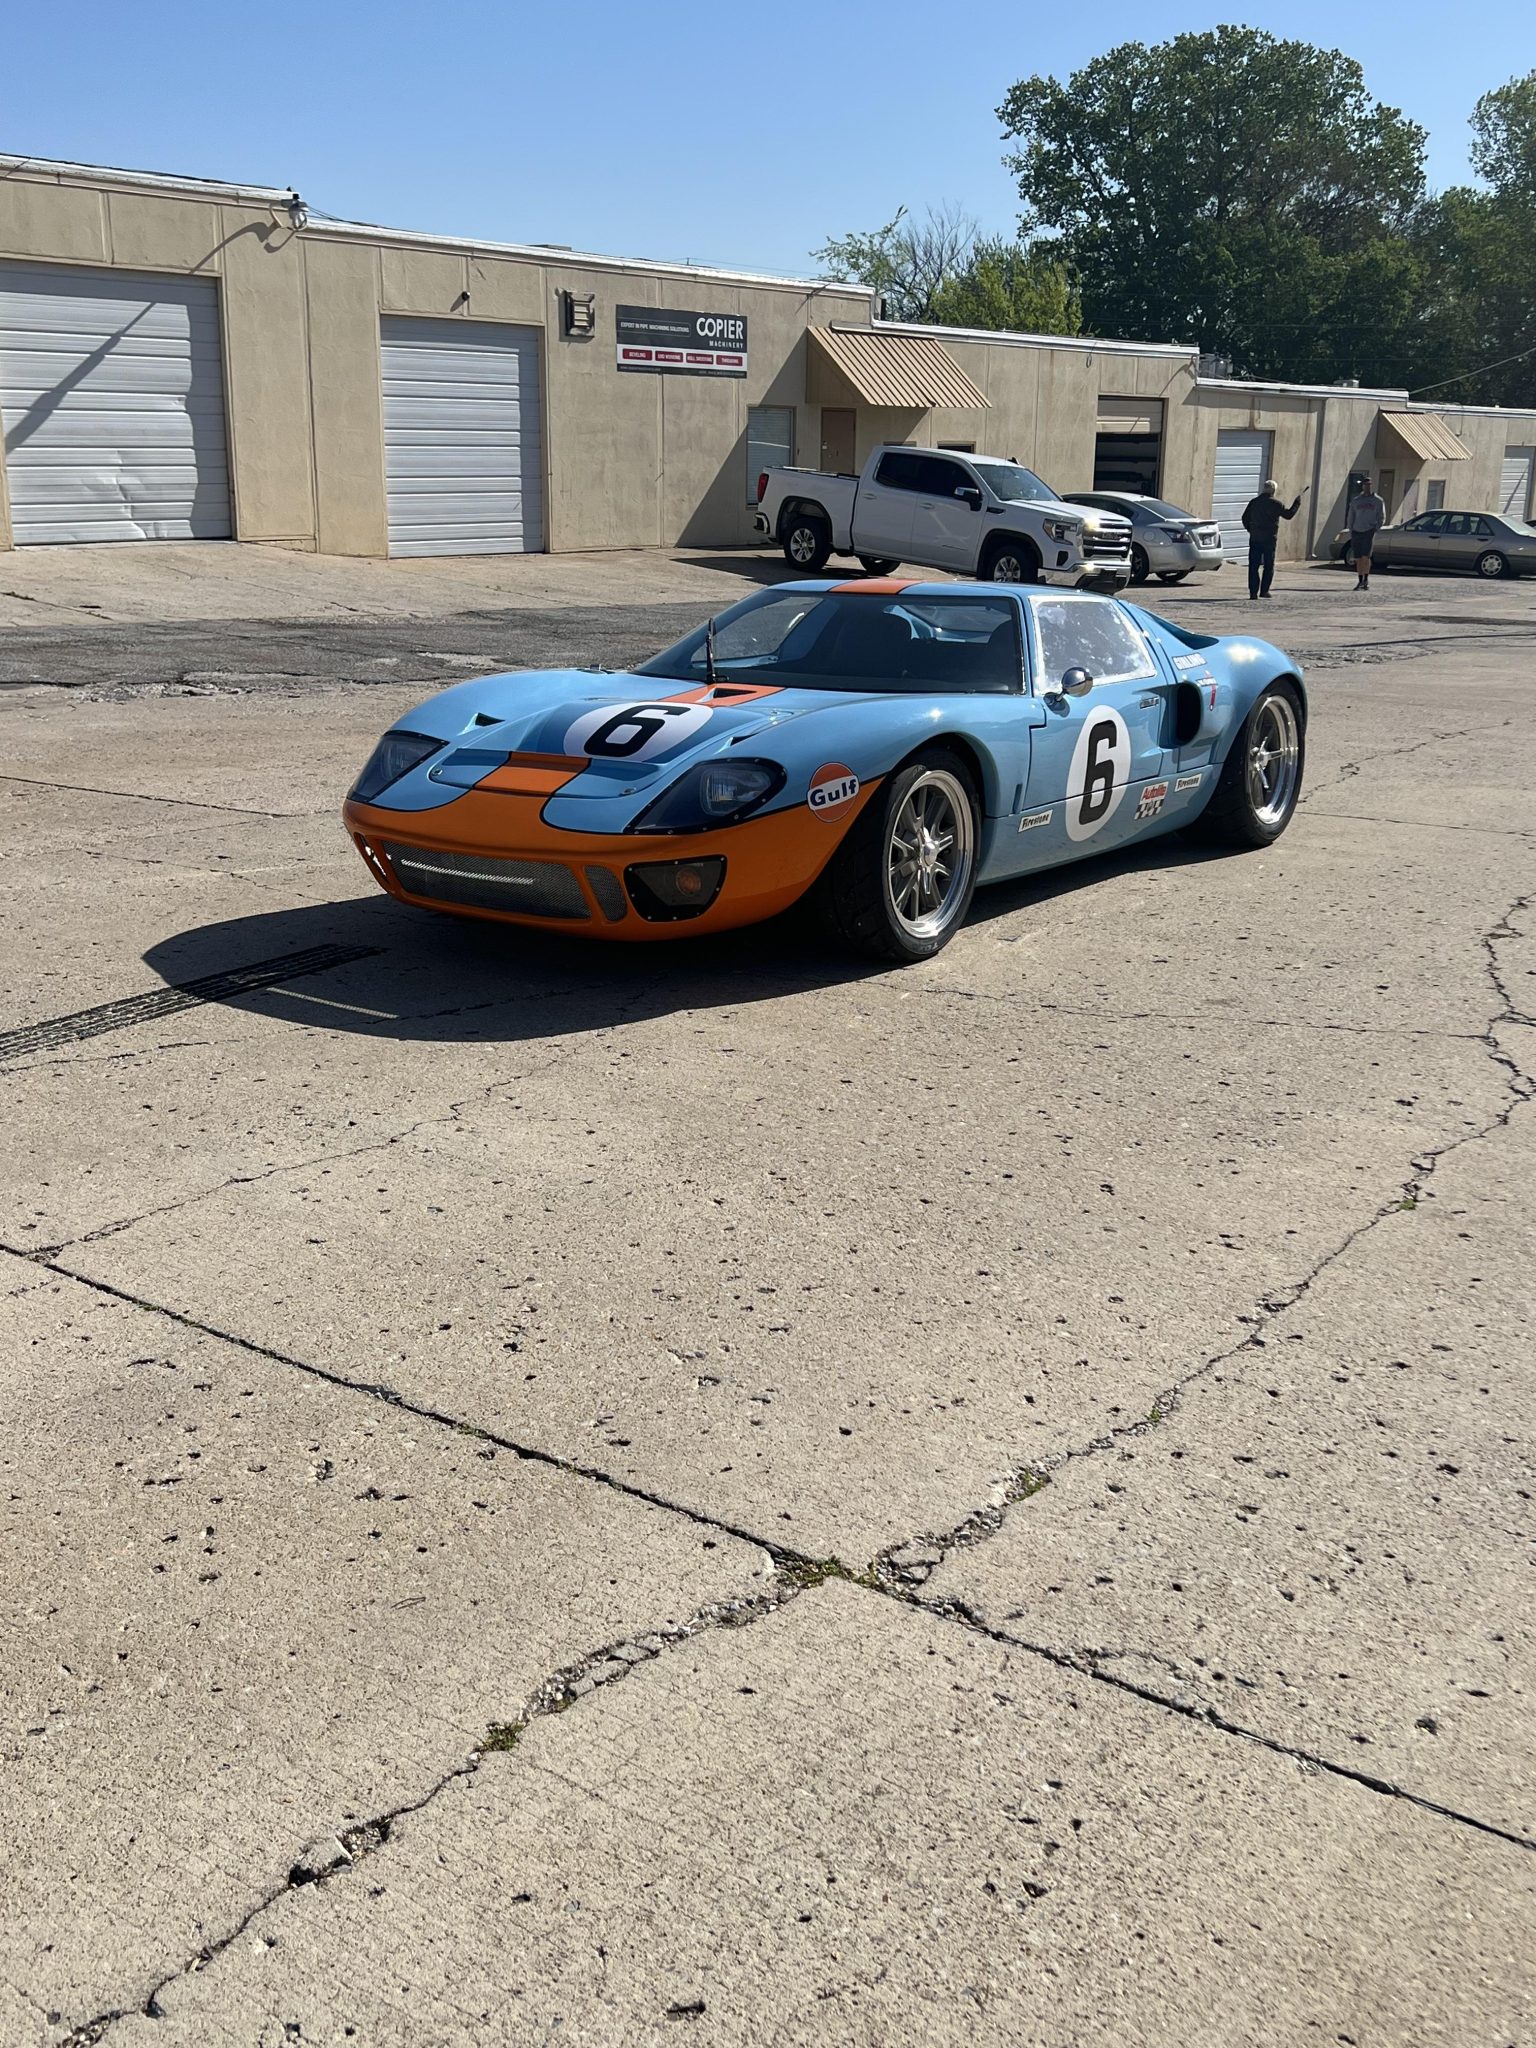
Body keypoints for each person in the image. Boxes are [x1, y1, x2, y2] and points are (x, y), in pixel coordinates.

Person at [1240, 480, 1304, 599]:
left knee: (1253, 566)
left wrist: (1251, 530)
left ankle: (1253, 593)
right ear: (1274, 490)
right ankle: (1264, 591)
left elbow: (1244, 518)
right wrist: (1297, 503)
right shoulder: (1276, 504)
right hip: (1269, 539)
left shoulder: (1254, 502)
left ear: (1264, 489)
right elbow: (1288, 515)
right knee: (1268, 566)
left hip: (1255, 538)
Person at [1348, 478, 1386, 590]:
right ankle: (1360, 580)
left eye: (1369, 485)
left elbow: (1382, 516)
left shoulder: (1378, 501)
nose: (1367, 487)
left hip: (1369, 530)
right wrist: (1351, 529)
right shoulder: (1356, 501)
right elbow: (1351, 515)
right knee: (1358, 557)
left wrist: (1376, 527)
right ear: (1362, 486)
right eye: (1365, 484)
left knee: (1366, 556)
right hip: (1356, 530)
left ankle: (1366, 579)